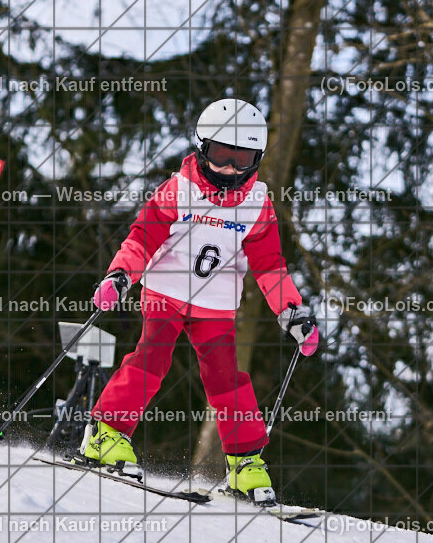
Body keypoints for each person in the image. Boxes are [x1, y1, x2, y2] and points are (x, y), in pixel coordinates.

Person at [80, 98, 319, 504]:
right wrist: (119, 276)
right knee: (152, 358)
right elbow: (143, 236)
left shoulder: (258, 205)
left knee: (227, 380)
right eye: (219, 154)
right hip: (164, 293)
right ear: (201, 147)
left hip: (216, 305)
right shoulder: (180, 189)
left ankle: (245, 463)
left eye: (239, 158)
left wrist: (290, 311)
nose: (227, 168)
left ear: (255, 159)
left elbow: (269, 266)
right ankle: (105, 435)